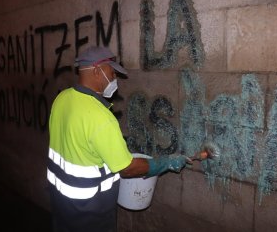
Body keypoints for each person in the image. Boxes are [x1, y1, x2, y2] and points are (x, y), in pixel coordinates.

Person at [47, 45, 190, 232]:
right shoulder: (100, 117)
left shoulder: (62, 99)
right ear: (97, 71)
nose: (115, 77)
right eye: (112, 71)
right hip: (90, 213)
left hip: (60, 204)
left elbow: (78, 145)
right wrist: (164, 163)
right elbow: (127, 168)